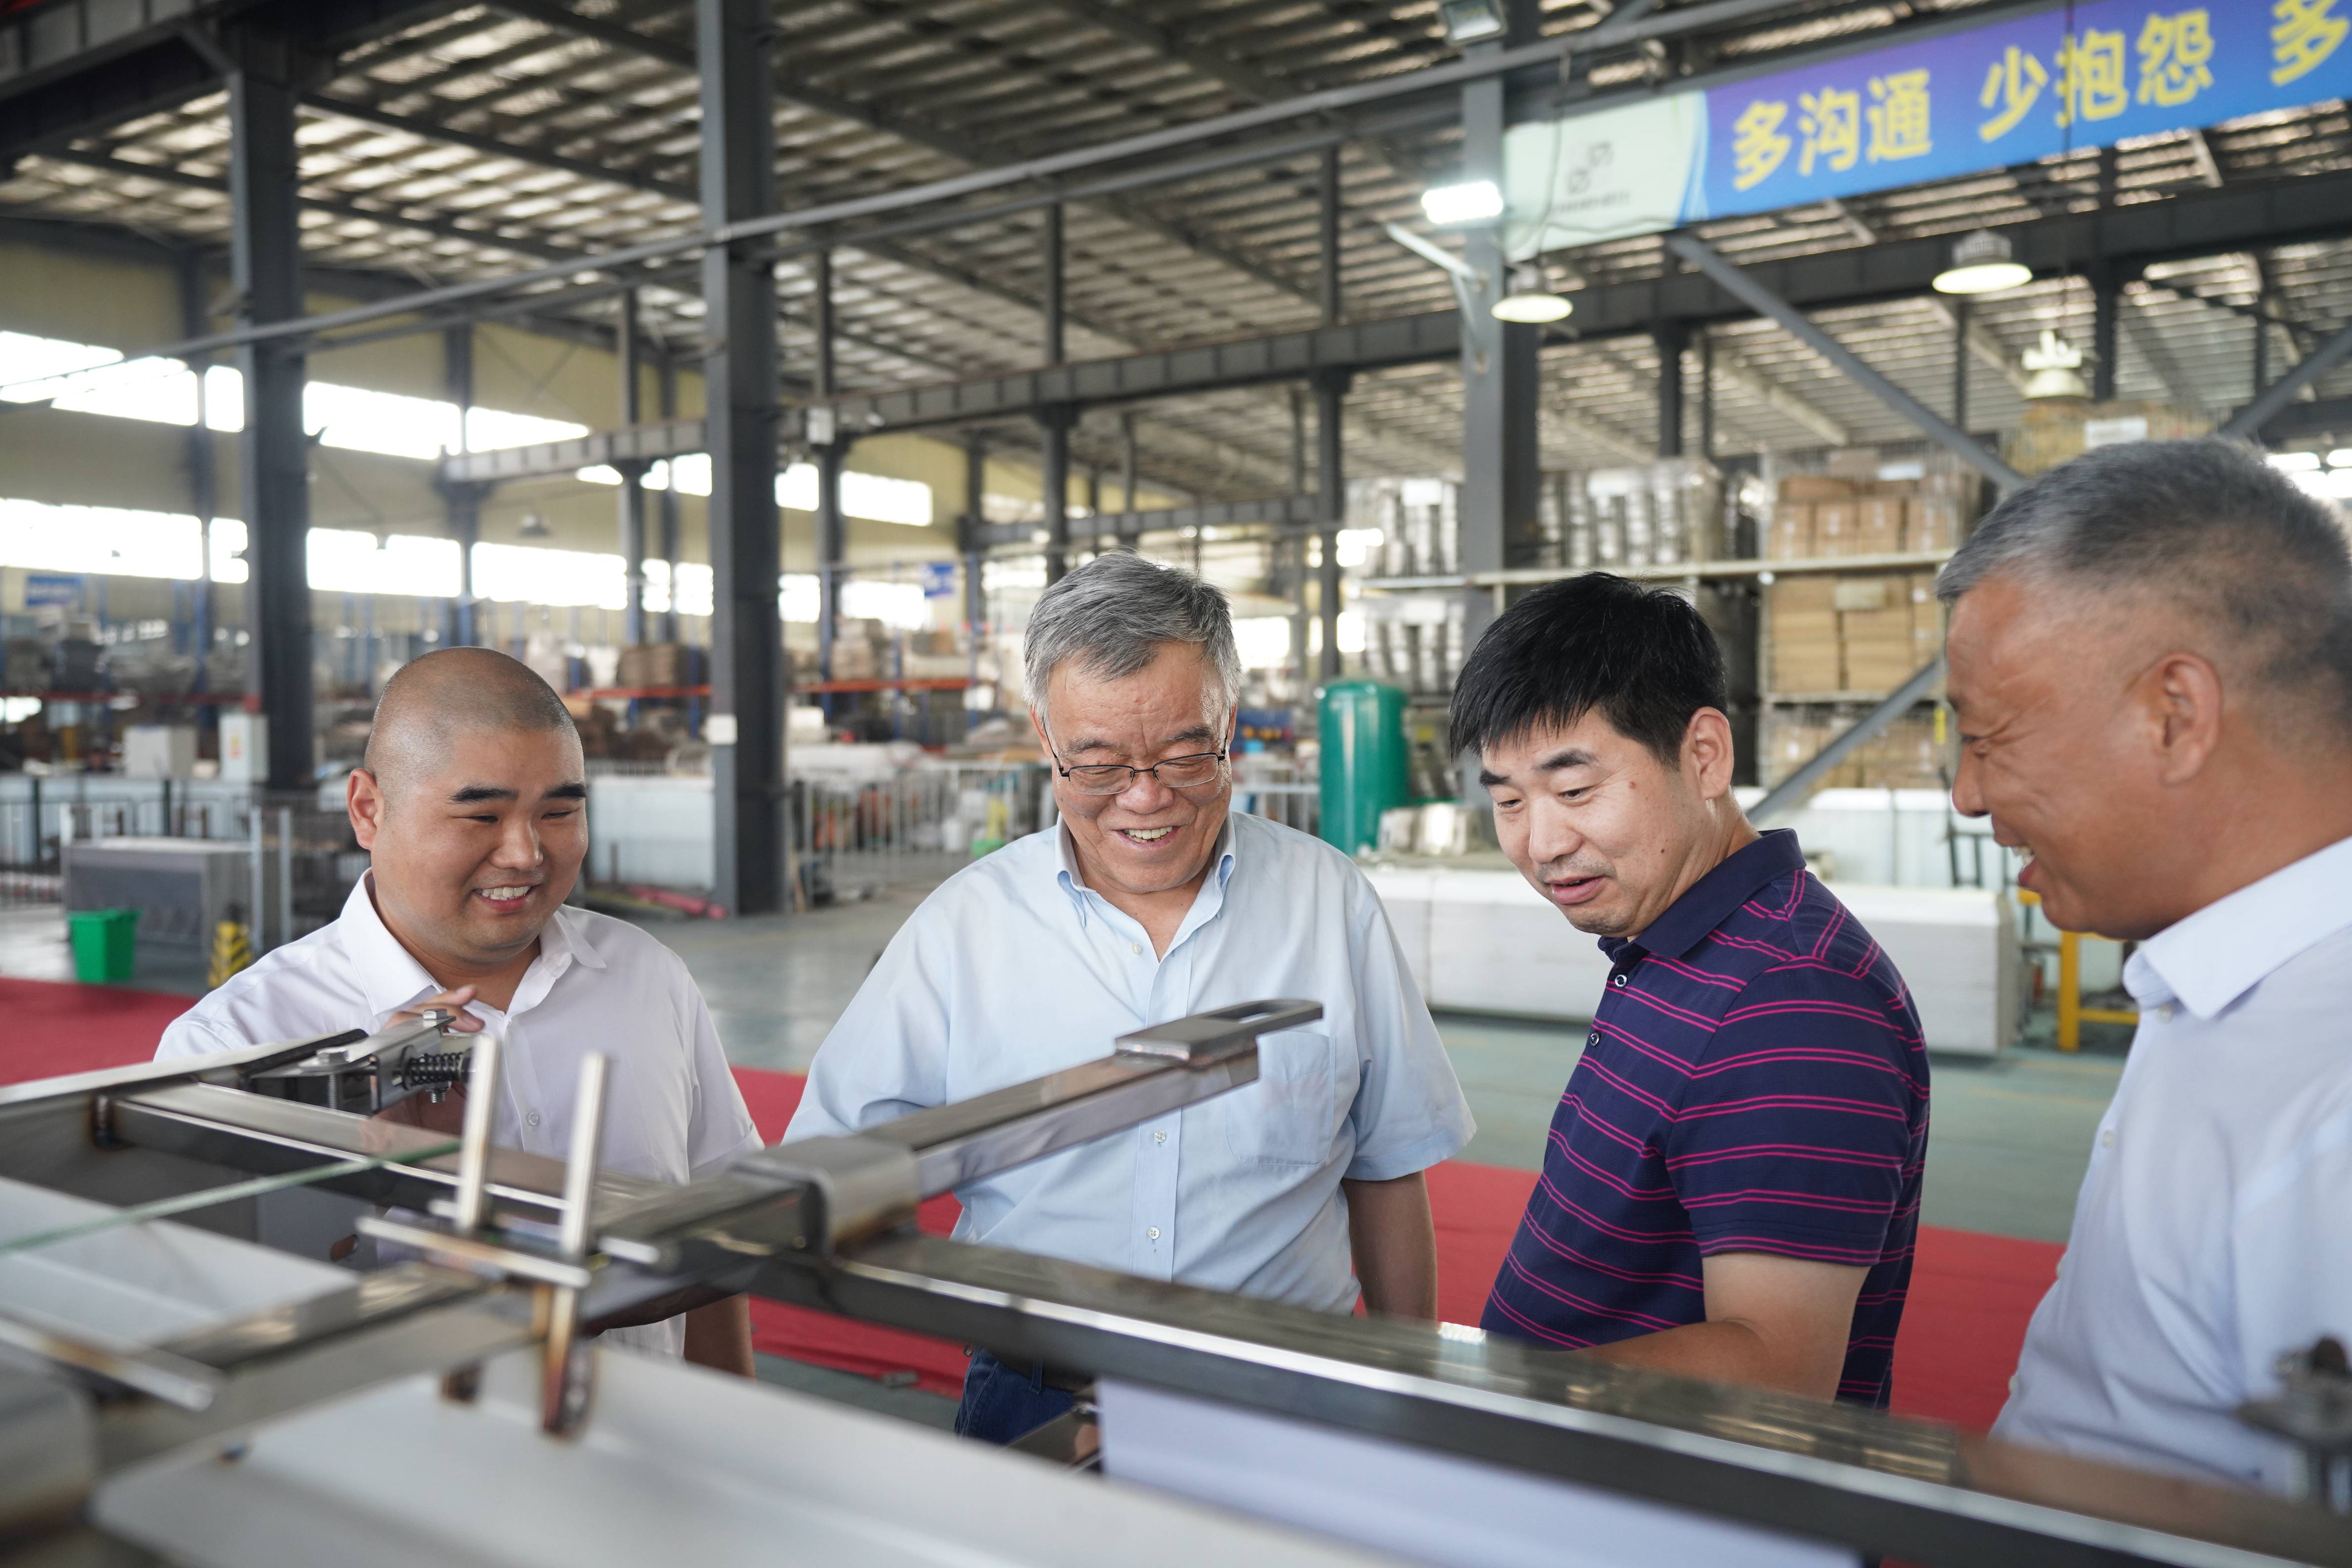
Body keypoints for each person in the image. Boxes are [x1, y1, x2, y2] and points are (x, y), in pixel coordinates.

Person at [788, 552, 1475, 1443]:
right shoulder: (966, 928)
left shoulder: (1327, 904)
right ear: (1045, 736)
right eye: (1101, 764)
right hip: (1036, 1391)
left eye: (1187, 753)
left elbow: (1386, 1166)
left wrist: (1403, 1389)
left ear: (1229, 719)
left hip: (1290, 1396)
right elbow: (830, 1167)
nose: (1146, 798)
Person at [157, 648, 762, 1372]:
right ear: (367, 810)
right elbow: (210, 1325)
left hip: (649, 1454)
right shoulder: (242, 1043)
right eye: (481, 815)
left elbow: (719, 1236)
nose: (525, 854)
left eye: (560, 812)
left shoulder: (645, 976)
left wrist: (729, 1425)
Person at [1940, 438, 2352, 1493]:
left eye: (1989, 736)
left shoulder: (2330, 1101)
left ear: (2176, 716)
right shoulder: (2226, 995)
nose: (1967, 795)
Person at [1456, 575, 1929, 1408]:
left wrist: (1497, 1397)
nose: (1542, 842)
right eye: (1508, 801)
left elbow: (1780, 1368)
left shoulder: (1797, 1001)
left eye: (1575, 792)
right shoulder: (1673, 943)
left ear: (1703, 755)